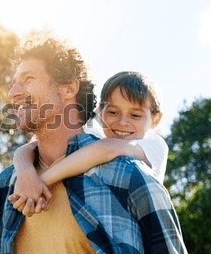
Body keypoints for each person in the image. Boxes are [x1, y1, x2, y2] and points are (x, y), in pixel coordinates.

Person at [0, 35, 194, 254]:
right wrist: (26, 171)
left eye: (28, 79)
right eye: (13, 83)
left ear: (68, 88)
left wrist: (41, 180)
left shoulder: (128, 174)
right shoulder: (6, 185)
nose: (13, 92)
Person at [9, 71, 168, 216]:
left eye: (135, 115)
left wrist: (41, 182)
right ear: (100, 111)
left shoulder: (154, 145)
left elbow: (106, 150)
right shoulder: (96, 136)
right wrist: (26, 173)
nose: (123, 122)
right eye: (113, 112)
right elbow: (30, 147)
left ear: (155, 119)